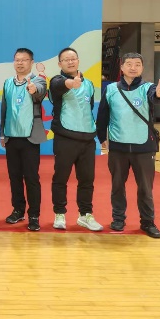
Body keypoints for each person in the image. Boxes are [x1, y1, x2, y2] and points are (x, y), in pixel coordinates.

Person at [97, 53, 160, 238]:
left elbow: (155, 96)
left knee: (145, 188)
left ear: (142, 68)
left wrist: (159, 94)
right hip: (118, 147)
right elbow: (103, 114)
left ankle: (148, 222)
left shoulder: (148, 87)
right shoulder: (111, 89)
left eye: (137, 64)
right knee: (117, 186)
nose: (133, 68)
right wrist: (101, 136)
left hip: (143, 147)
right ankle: (118, 219)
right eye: (129, 64)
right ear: (122, 68)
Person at [50, 47, 103, 232]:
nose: (70, 62)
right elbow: (59, 85)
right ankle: (59, 213)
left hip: (87, 139)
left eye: (73, 58)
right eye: (66, 59)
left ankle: (85, 215)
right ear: (60, 64)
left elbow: (89, 107)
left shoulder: (89, 84)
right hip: (65, 138)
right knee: (61, 178)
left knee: (87, 180)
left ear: (78, 61)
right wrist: (72, 83)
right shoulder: (56, 81)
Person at [0, 48, 47, 232]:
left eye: (24, 60)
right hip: (11, 136)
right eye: (17, 60)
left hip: (30, 137)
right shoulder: (7, 83)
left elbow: (40, 92)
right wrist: (2, 134)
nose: (20, 63)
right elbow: (4, 109)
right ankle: (18, 210)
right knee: (14, 177)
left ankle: (34, 215)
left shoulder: (38, 81)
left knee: (32, 177)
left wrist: (33, 90)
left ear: (31, 62)